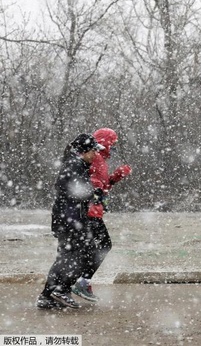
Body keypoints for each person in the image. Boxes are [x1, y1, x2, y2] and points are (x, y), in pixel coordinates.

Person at [36, 133, 105, 309]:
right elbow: (71, 189)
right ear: (86, 151)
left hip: (70, 218)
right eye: (94, 151)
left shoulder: (77, 165)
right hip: (69, 219)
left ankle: (52, 294)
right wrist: (93, 194)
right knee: (72, 256)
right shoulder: (74, 165)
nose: (96, 154)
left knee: (73, 255)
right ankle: (56, 291)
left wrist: (93, 195)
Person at [71, 128, 132, 303]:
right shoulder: (95, 159)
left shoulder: (100, 160)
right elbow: (91, 185)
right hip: (89, 212)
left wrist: (116, 177)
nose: (113, 148)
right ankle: (81, 282)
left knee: (91, 247)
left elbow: (102, 188)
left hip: (93, 211)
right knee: (103, 245)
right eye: (112, 144)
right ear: (105, 143)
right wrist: (96, 189)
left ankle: (75, 282)